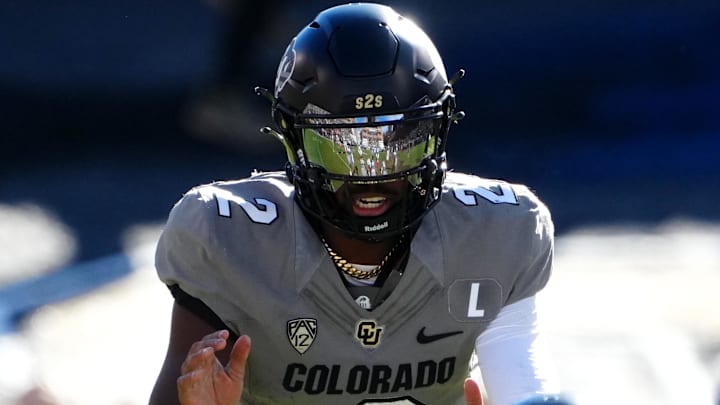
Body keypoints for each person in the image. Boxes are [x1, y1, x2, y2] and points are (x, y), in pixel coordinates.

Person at [150, 3, 569, 404]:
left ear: (436, 133)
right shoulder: (228, 233)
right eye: (342, 146)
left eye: (396, 144)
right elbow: (190, 386)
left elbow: (525, 384)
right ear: (294, 140)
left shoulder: (494, 230)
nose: (372, 176)